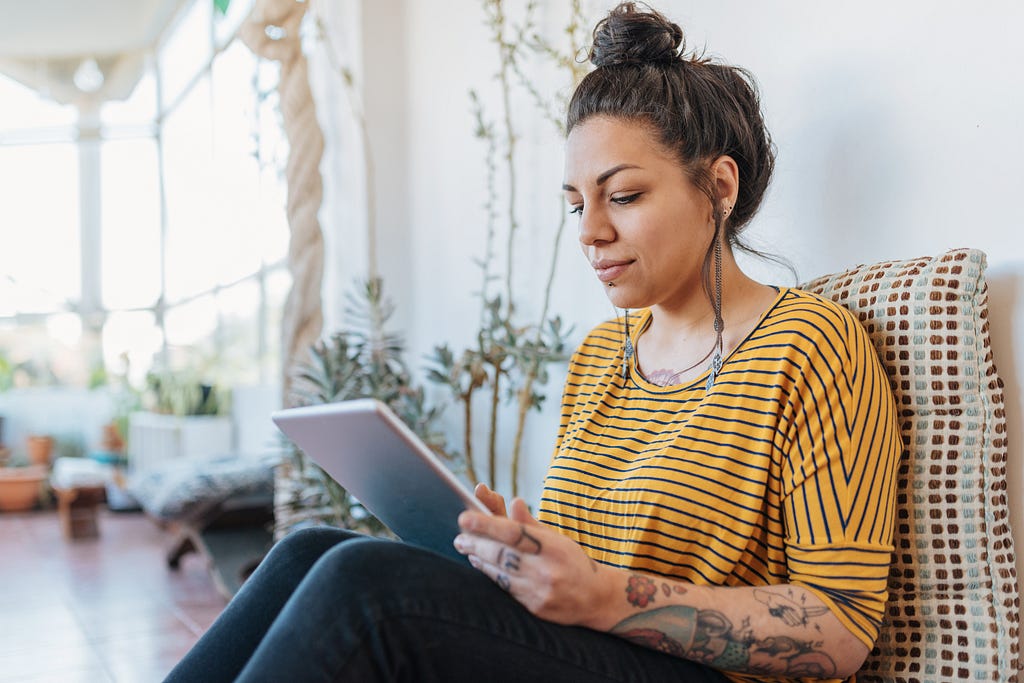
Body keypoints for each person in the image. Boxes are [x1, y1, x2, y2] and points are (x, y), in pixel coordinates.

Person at [165, 3, 900, 682]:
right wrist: (520, 555)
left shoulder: (812, 344)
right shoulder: (602, 355)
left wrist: (606, 596)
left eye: (625, 196)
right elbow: (587, 563)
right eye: (578, 203)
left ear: (719, 185)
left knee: (364, 588)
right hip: (592, 651)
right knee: (310, 549)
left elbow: (840, 625)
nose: (590, 231)